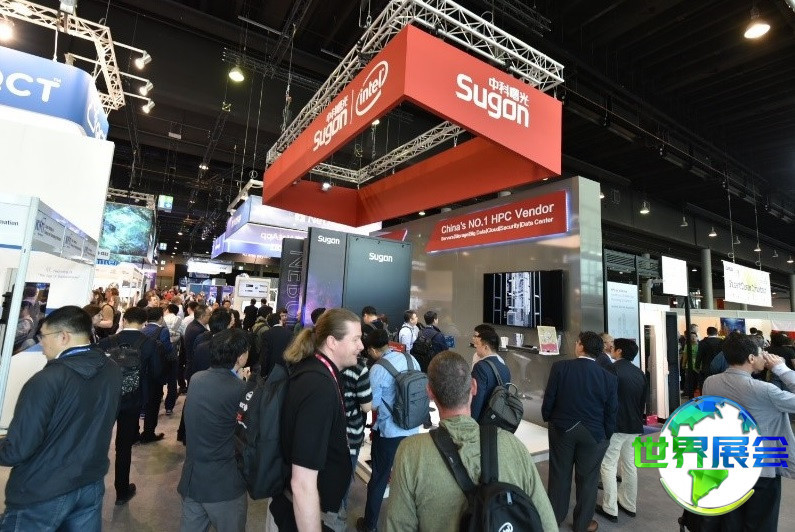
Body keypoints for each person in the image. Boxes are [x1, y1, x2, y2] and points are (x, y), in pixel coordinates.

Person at [383, 350, 557, 531]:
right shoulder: (513, 446)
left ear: (430, 392)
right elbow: (547, 524)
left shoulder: (410, 452)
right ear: (473, 387)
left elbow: (399, 526)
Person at [0, 306, 121, 531]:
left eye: (43, 337)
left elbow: (18, 449)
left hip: (42, 490)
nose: (41, 345)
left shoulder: (46, 380)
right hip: (90, 482)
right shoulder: (111, 369)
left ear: (63, 336)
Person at [270, 308, 362, 532]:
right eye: (356, 339)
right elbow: (302, 482)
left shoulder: (318, 371)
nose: (361, 346)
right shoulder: (318, 387)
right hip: (306, 512)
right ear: (332, 342)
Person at [702, 332, 795, 531]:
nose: (765, 357)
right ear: (751, 358)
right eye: (762, 353)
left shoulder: (710, 382)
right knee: (760, 525)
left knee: (730, 524)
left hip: (726, 463)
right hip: (761, 470)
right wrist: (781, 369)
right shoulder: (764, 390)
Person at [542, 331, 618, 532]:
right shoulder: (608, 378)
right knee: (588, 480)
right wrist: (606, 434)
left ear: (581, 346)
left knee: (559, 475)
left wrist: (548, 417)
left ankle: (554, 518)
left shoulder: (560, 367)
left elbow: (550, 398)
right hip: (594, 433)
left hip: (562, 429)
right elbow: (611, 411)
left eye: (577, 342)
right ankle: (582, 524)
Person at [178, 328, 250, 532]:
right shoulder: (241, 389)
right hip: (224, 484)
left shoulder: (197, 379)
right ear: (240, 356)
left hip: (193, 480)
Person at [358, 329, 422, 532]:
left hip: (389, 433)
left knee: (378, 480)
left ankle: (369, 526)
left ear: (372, 350)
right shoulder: (411, 359)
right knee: (408, 481)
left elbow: (373, 405)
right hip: (413, 430)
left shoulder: (378, 369)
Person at [98, 306, 160, 505]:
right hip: (133, 399)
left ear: (124, 320)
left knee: (97, 442)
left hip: (107, 398)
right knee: (123, 446)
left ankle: (91, 489)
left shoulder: (106, 342)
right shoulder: (149, 344)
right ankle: (122, 490)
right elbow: (157, 373)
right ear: (143, 323)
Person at [596, 338, 646, 523]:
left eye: (613, 347)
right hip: (634, 426)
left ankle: (610, 508)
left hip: (616, 426)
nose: (611, 349)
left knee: (608, 465)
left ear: (619, 351)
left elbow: (604, 398)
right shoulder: (639, 373)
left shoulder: (611, 369)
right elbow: (642, 402)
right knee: (630, 465)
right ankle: (629, 504)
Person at [339, 341, 373, 521]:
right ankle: (338, 517)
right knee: (344, 480)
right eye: (356, 338)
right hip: (350, 434)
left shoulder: (322, 360)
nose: (361, 344)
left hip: (327, 433)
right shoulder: (359, 368)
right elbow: (367, 407)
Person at [469, 325, 510, 422]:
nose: (476, 346)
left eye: (478, 344)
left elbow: (477, 397)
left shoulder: (480, 367)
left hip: (483, 417)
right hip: (497, 416)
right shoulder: (505, 368)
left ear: (486, 347)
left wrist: (472, 421)